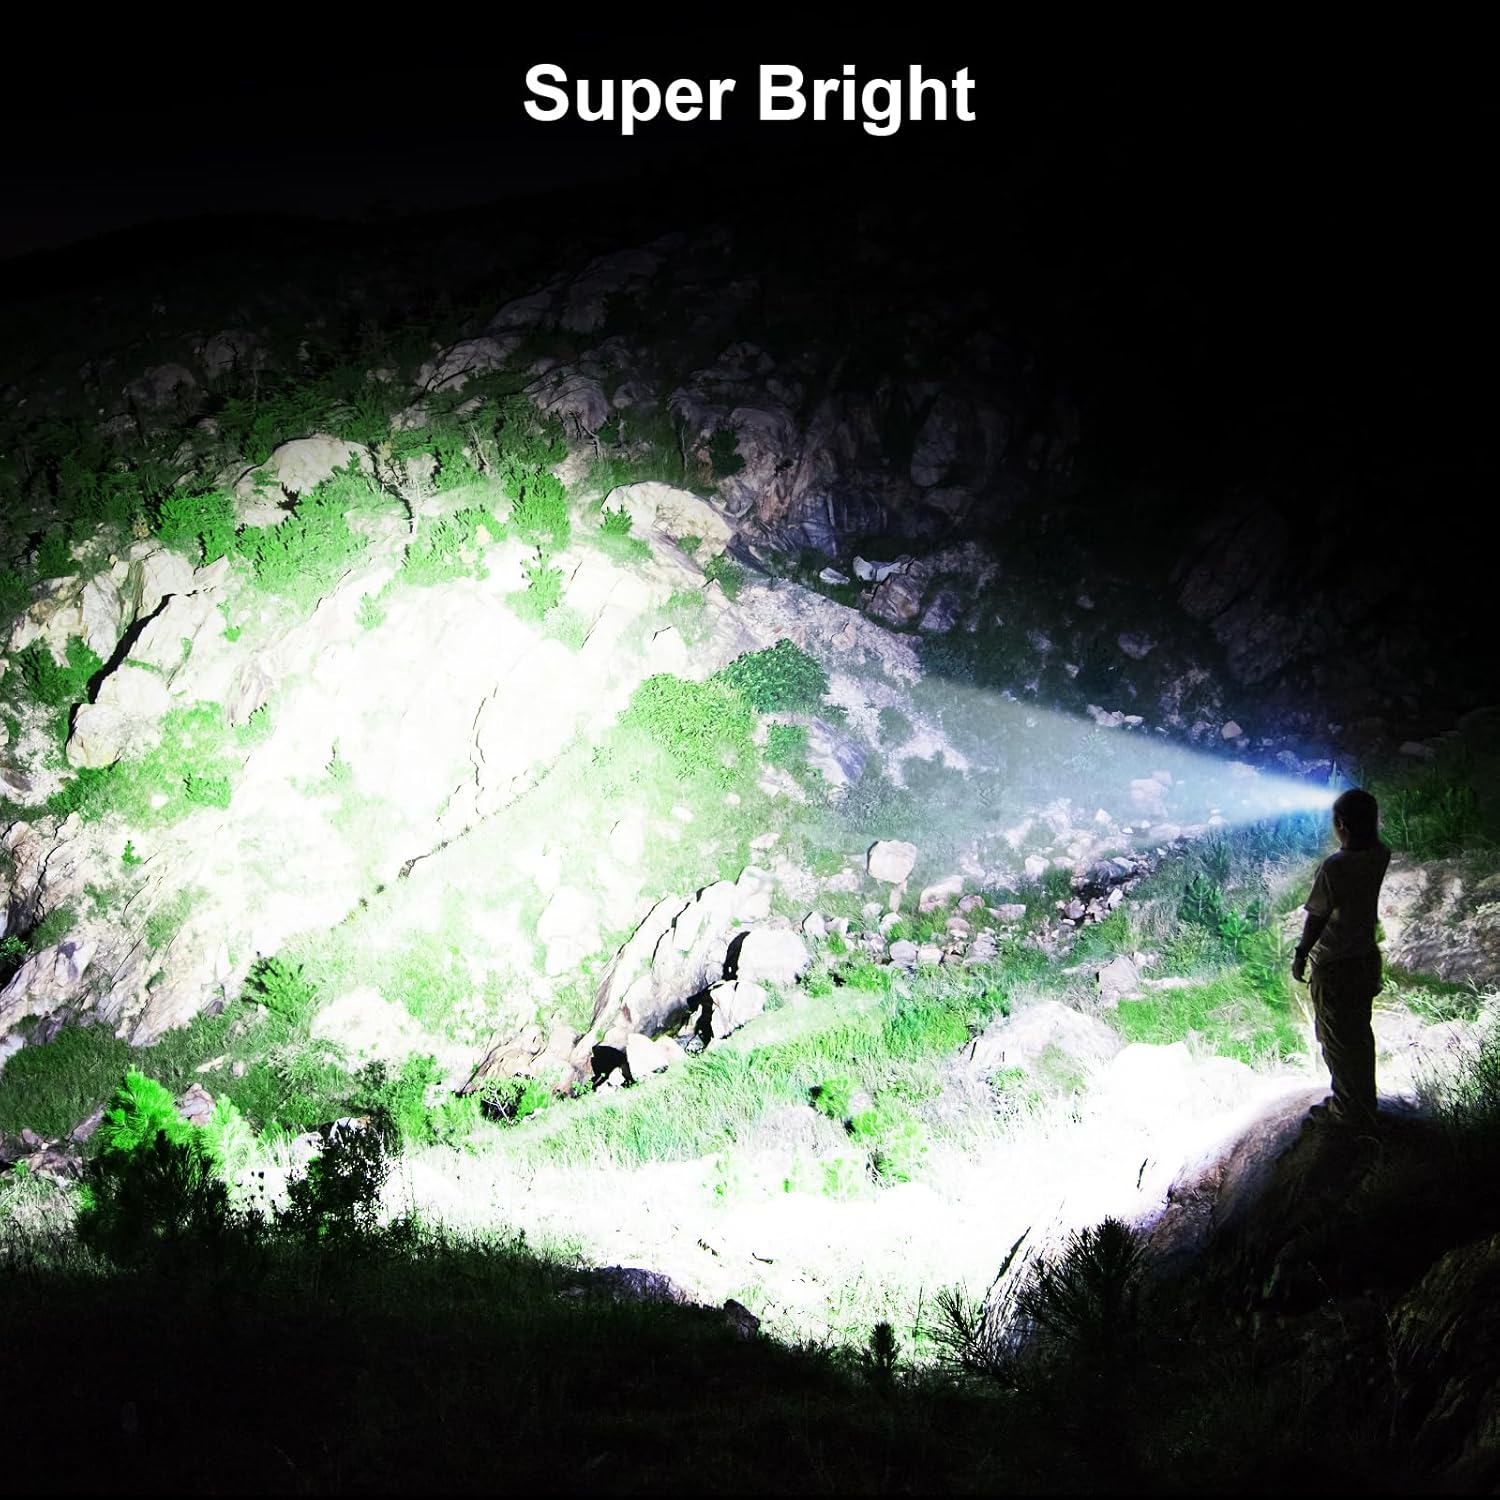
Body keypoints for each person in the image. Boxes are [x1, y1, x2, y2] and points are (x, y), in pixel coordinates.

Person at [1292, 788, 1391, 1130]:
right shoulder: (1380, 854)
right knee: (1359, 1036)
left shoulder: (1335, 867)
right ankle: (1364, 1101)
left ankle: (1347, 1111)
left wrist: (1301, 953)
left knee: (1335, 1038)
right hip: (1364, 958)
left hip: (1335, 964)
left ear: (1342, 825)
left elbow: (1317, 916)